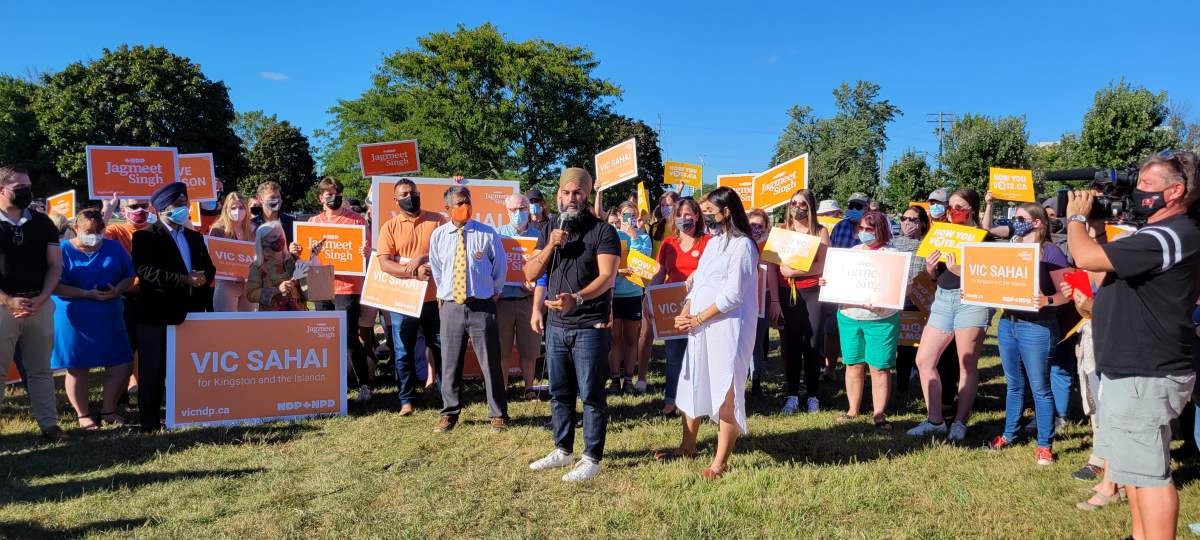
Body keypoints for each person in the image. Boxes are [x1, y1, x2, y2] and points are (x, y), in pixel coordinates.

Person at [1065, 150, 1200, 539]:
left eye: (1147, 185)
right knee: (1132, 469)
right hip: (1132, 366)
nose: (1138, 192)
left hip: (1148, 368)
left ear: (1175, 191)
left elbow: (1086, 256)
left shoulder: (1171, 233)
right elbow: (1106, 268)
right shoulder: (1154, 234)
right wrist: (1098, 226)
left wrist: (1075, 217)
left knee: (1152, 475)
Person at [654, 187, 758, 479]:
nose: (706, 217)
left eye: (710, 212)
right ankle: (688, 446)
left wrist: (697, 317)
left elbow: (732, 296)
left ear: (727, 212)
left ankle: (718, 463)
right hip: (700, 328)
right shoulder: (713, 244)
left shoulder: (743, 246)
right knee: (693, 383)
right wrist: (686, 311)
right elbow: (697, 282)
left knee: (725, 390)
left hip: (728, 329)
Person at [525, 167, 620, 482]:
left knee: (591, 394)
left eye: (578, 193)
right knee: (559, 391)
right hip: (555, 326)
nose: (572, 198)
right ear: (558, 195)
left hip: (589, 325)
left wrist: (576, 298)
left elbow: (607, 277)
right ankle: (563, 450)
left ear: (587, 195)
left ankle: (592, 457)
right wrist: (551, 245)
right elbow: (530, 273)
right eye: (566, 193)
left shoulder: (602, 231)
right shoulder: (550, 227)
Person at [985, 202, 1069, 465]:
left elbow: (1069, 292)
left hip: (1037, 327)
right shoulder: (1011, 249)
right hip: (1008, 324)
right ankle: (1009, 434)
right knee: (1014, 384)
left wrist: (1048, 302)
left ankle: (1044, 445)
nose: (1015, 222)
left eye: (1020, 218)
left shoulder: (1051, 253)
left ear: (1037, 223)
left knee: (1040, 387)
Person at [131, 182, 216, 432]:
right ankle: (149, 422)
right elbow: (147, 272)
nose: (184, 209)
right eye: (178, 206)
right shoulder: (145, 236)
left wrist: (202, 277)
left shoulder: (195, 236)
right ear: (160, 210)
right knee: (153, 370)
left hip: (190, 313)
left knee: (187, 369)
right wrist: (184, 279)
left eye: (185, 205)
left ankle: (186, 414)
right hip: (156, 313)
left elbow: (209, 268)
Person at [908, 187, 990, 441]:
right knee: (924, 360)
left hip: (971, 300)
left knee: (967, 364)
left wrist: (961, 270)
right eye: (949, 207)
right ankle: (935, 420)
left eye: (958, 207)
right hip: (943, 299)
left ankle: (959, 422)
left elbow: (991, 280)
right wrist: (932, 269)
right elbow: (936, 276)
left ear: (971, 210)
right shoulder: (941, 233)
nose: (952, 212)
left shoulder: (983, 238)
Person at [427, 185, 509, 433]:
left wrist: (493, 291)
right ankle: (449, 413)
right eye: (460, 203)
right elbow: (437, 267)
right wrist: (445, 295)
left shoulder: (486, 233)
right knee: (450, 362)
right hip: (451, 307)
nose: (466, 207)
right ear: (448, 208)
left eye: (468, 202)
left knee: (490, 362)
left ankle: (498, 414)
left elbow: (500, 266)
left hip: (482, 305)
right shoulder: (439, 235)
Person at [51, 208, 135, 428]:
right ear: (75, 228)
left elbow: (129, 275)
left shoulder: (114, 247)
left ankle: (109, 410)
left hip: (110, 315)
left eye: (99, 231)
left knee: (121, 362)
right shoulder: (62, 250)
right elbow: (54, 285)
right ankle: (83, 415)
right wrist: (85, 294)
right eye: (89, 231)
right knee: (78, 366)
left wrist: (117, 290)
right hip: (74, 319)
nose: (95, 235)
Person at [291, 178, 374, 401]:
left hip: (347, 285)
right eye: (327, 193)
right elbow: (306, 256)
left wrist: (364, 253)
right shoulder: (313, 222)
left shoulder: (356, 221)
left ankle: (364, 385)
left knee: (348, 337)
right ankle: (331, 384)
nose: (332, 196)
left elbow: (366, 252)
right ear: (320, 197)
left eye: (336, 192)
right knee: (324, 337)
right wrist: (296, 249)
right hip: (321, 283)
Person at [0, 166, 66, 441]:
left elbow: (54, 265)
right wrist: (7, 300)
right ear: (2, 190)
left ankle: (49, 425)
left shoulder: (42, 222)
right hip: (3, 307)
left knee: (40, 369)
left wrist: (42, 297)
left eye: (28, 186)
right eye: (19, 187)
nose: (26, 192)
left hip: (39, 304)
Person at [823, 211, 905, 430]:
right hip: (850, 316)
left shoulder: (892, 255)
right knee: (853, 364)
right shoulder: (852, 253)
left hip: (881, 319)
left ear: (881, 230)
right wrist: (828, 283)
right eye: (861, 228)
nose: (864, 233)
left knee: (879, 367)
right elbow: (839, 281)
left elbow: (896, 289)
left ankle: (879, 414)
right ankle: (853, 409)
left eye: (870, 229)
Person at [378, 178, 446, 417]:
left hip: (434, 298)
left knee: (439, 347)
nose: (410, 196)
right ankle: (406, 399)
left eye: (413, 192)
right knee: (403, 350)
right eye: (404, 194)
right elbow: (385, 263)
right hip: (403, 300)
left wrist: (422, 258)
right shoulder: (389, 227)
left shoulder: (438, 220)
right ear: (396, 200)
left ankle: (444, 394)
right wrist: (412, 272)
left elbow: (447, 248)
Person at [649, 197, 710, 415]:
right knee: (674, 356)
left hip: (701, 307)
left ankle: (698, 403)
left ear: (697, 216)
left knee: (700, 357)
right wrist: (648, 298)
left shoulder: (708, 242)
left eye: (689, 215)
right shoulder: (668, 244)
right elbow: (659, 274)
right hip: (672, 307)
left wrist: (698, 274)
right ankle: (671, 399)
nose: (684, 219)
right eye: (680, 215)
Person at [777, 189, 830, 414]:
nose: (797, 207)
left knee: (812, 343)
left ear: (810, 207)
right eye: (793, 203)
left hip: (813, 294)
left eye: (802, 204)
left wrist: (793, 270)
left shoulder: (820, 231)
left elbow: (822, 265)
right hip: (786, 293)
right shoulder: (781, 230)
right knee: (790, 344)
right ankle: (791, 395)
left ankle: (813, 396)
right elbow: (776, 266)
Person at [496, 193, 543, 399]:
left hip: (528, 301)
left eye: (522, 208)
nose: (518, 213)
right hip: (503, 301)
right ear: (507, 212)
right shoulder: (497, 235)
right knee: (502, 348)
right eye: (514, 210)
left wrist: (535, 285)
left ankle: (529, 387)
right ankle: (502, 387)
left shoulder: (539, 236)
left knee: (530, 348)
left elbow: (543, 267)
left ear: (529, 209)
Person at [610, 201, 651, 394]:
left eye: (633, 215)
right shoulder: (613, 236)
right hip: (615, 295)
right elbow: (608, 264)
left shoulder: (644, 238)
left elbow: (642, 265)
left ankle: (628, 379)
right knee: (615, 339)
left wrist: (634, 237)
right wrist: (619, 270)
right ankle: (615, 380)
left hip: (634, 294)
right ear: (618, 216)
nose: (630, 219)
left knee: (631, 339)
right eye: (626, 215)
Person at [893, 205, 931, 395]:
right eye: (904, 218)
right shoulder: (892, 244)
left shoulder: (929, 245)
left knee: (919, 348)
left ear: (922, 224)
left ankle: (923, 383)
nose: (907, 223)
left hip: (920, 301)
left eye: (913, 220)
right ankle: (901, 387)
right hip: (898, 300)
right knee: (903, 348)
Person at [747, 208, 781, 397]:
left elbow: (773, 274)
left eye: (760, 226)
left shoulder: (770, 245)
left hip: (762, 297)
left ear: (766, 226)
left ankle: (756, 381)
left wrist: (774, 300)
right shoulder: (741, 242)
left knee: (757, 341)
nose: (756, 229)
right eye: (752, 225)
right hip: (742, 298)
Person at [208, 191, 255, 312]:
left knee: (247, 325)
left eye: (241, 207)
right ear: (226, 209)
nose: (237, 211)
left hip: (248, 285)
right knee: (227, 325)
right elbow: (214, 259)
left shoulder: (253, 229)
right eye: (233, 208)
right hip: (226, 285)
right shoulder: (218, 230)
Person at [246, 222, 305, 311]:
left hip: (297, 314)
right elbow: (251, 294)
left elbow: (305, 286)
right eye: (273, 237)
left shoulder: (292, 259)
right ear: (263, 241)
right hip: (272, 317)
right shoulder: (258, 265)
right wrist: (277, 290)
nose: (279, 239)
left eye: (280, 235)